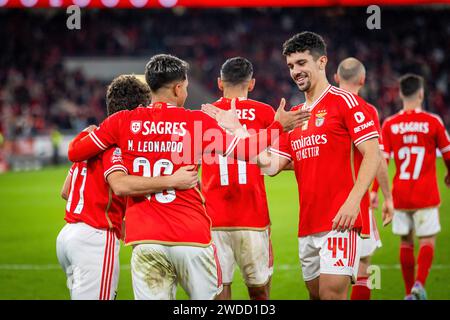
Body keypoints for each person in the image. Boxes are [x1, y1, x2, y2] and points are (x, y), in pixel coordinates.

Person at [67, 54, 309, 300]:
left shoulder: (122, 122)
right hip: (190, 237)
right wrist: (278, 126)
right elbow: (246, 151)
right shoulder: (194, 122)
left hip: (146, 239)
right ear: (178, 87)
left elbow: (75, 152)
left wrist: (90, 133)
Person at [203, 31, 381, 300]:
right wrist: (239, 131)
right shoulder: (296, 115)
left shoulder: (346, 102)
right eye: (290, 66)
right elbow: (270, 165)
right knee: (316, 296)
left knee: (332, 296)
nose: (295, 71)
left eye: (301, 63)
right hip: (307, 226)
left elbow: (372, 153)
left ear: (322, 62)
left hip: (340, 222)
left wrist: (353, 201)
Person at [57, 75, 198, 300]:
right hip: (95, 237)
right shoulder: (116, 145)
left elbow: (66, 191)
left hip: (67, 236)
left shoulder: (91, 138)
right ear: (140, 109)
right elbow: (121, 185)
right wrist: (172, 180)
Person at [201, 57, 277, 300]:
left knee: (220, 290)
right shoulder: (266, 113)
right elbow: (274, 162)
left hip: (213, 217)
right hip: (252, 214)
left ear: (220, 83)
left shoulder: (204, 115)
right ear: (252, 84)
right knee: (259, 290)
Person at [381, 74, 450, 300]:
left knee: (406, 241)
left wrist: (377, 192)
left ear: (400, 94)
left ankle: (408, 292)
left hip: (400, 193)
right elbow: (448, 155)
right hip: (426, 193)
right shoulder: (433, 122)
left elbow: (383, 162)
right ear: (421, 93)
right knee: (427, 240)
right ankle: (419, 285)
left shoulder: (390, 124)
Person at [334, 57, 394, 300]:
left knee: (328, 272)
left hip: (322, 205)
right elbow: (377, 157)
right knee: (362, 263)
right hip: (356, 203)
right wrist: (386, 196)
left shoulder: (318, 108)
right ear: (362, 80)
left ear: (336, 78)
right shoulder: (367, 110)